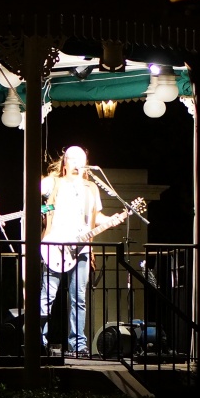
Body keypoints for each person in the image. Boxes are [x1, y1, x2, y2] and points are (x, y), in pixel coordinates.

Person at [38, 145, 117, 357]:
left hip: (81, 248)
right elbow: (33, 193)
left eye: (80, 160)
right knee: (47, 296)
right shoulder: (54, 183)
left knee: (78, 298)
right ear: (64, 163)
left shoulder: (91, 188)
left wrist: (111, 220)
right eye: (72, 159)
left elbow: (96, 217)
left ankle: (78, 345)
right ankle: (39, 341)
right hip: (55, 246)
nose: (76, 163)